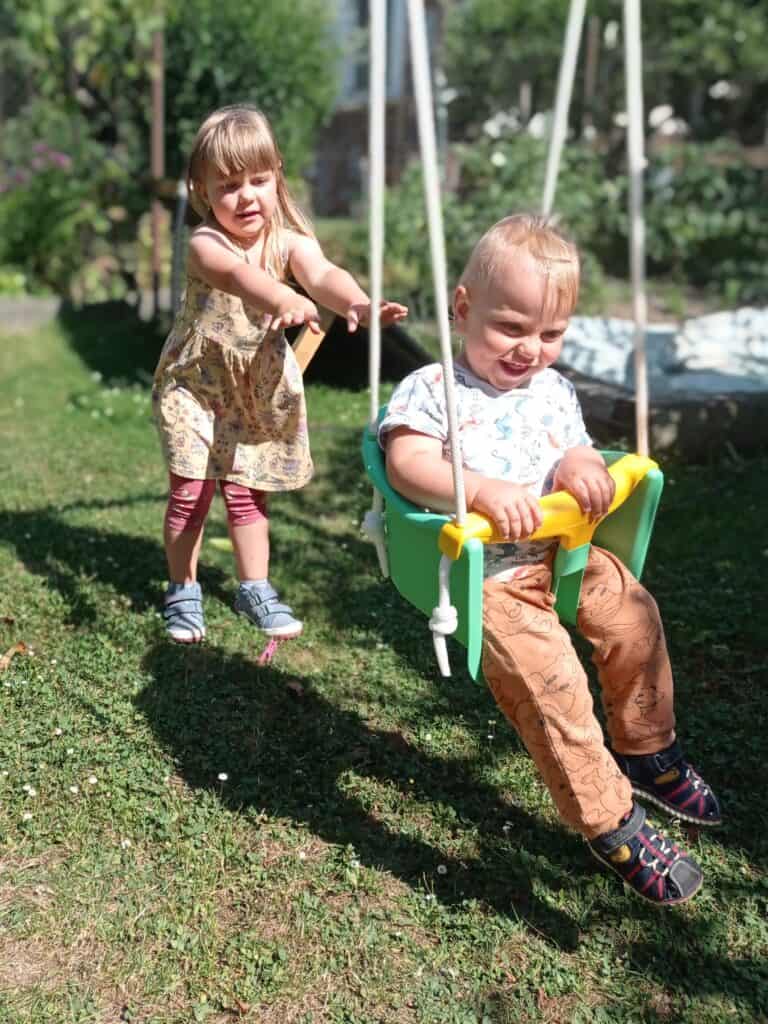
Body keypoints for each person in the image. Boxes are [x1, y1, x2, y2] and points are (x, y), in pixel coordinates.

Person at [379, 214, 720, 906]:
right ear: (463, 307)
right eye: (512, 328)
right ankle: (609, 817)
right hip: (488, 578)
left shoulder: (553, 391)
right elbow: (406, 463)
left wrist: (582, 465)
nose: (531, 350)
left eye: (551, 334)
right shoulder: (432, 387)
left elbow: (577, 446)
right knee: (552, 681)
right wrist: (479, 489)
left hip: (562, 555)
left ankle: (648, 747)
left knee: (634, 615)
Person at [153, 105, 407, 646]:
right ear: (201, 189)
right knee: (191, 492)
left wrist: (357, 301)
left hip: (252, 388)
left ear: (277, 176)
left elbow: (323, 275)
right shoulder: (205, 242)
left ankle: (255, 586)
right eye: (228, 185)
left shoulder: (289, 239)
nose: (246, 196)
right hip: (194, 386)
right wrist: (284, 297)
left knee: (248, 492)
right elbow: (239, 277)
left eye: (258, 181)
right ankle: (182, 588)